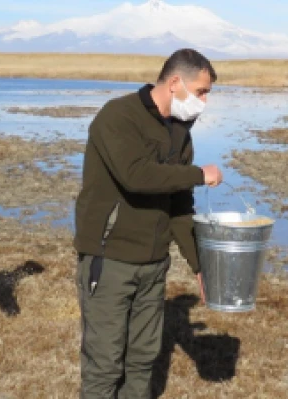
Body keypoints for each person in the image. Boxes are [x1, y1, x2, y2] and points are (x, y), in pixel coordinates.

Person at [73, 48, 223, 398]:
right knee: (105, 363)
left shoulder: (180, 132)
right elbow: (136, 175)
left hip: (154, 264)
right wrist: (200, 173)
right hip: (110, 261)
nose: (203, 102)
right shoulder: (118, 117)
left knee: (142, 360)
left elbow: (180, 203)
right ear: (175, 83)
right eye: (201, 92)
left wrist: (200, 264)